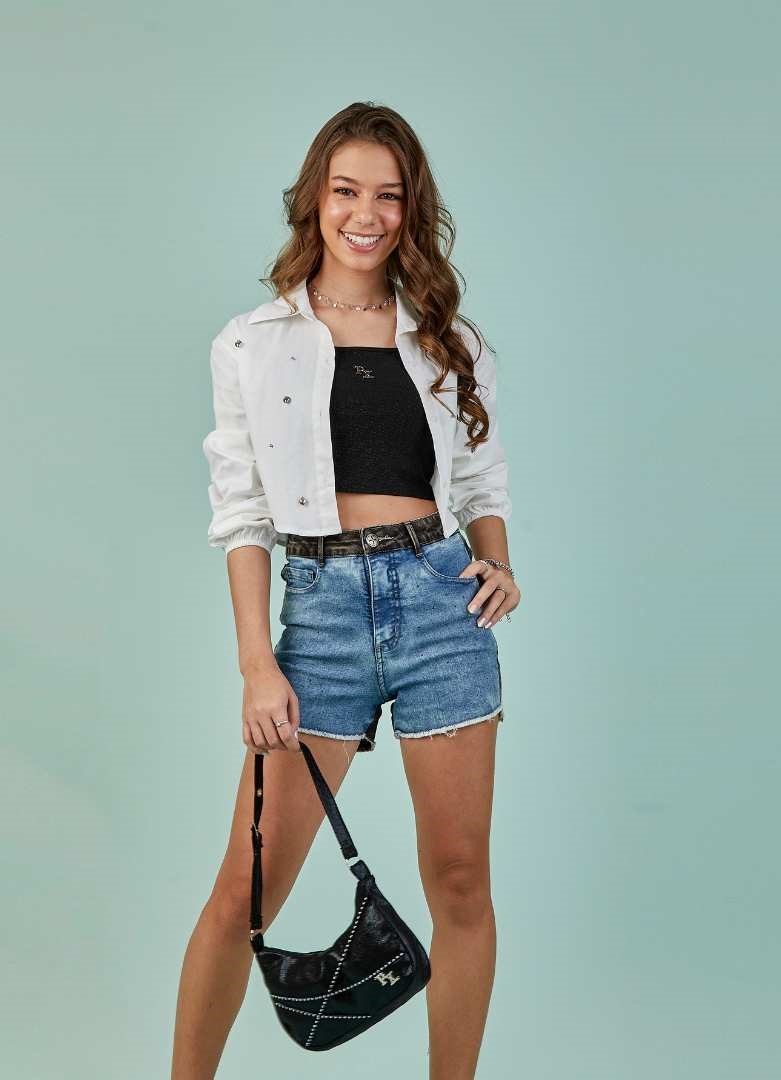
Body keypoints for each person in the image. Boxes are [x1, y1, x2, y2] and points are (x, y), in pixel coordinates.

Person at [171, 101, 521, 1080]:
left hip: (441, 609)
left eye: (388, 196)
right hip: (320, 615)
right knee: (244, 893)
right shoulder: (251, 343)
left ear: (412, 210)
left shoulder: (451, 340)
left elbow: (481, 483)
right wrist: (256, 664)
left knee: (461, 883)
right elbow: (242, 514)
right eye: (345, 191)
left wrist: (497, 561)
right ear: (314, 201)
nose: (365, 214)